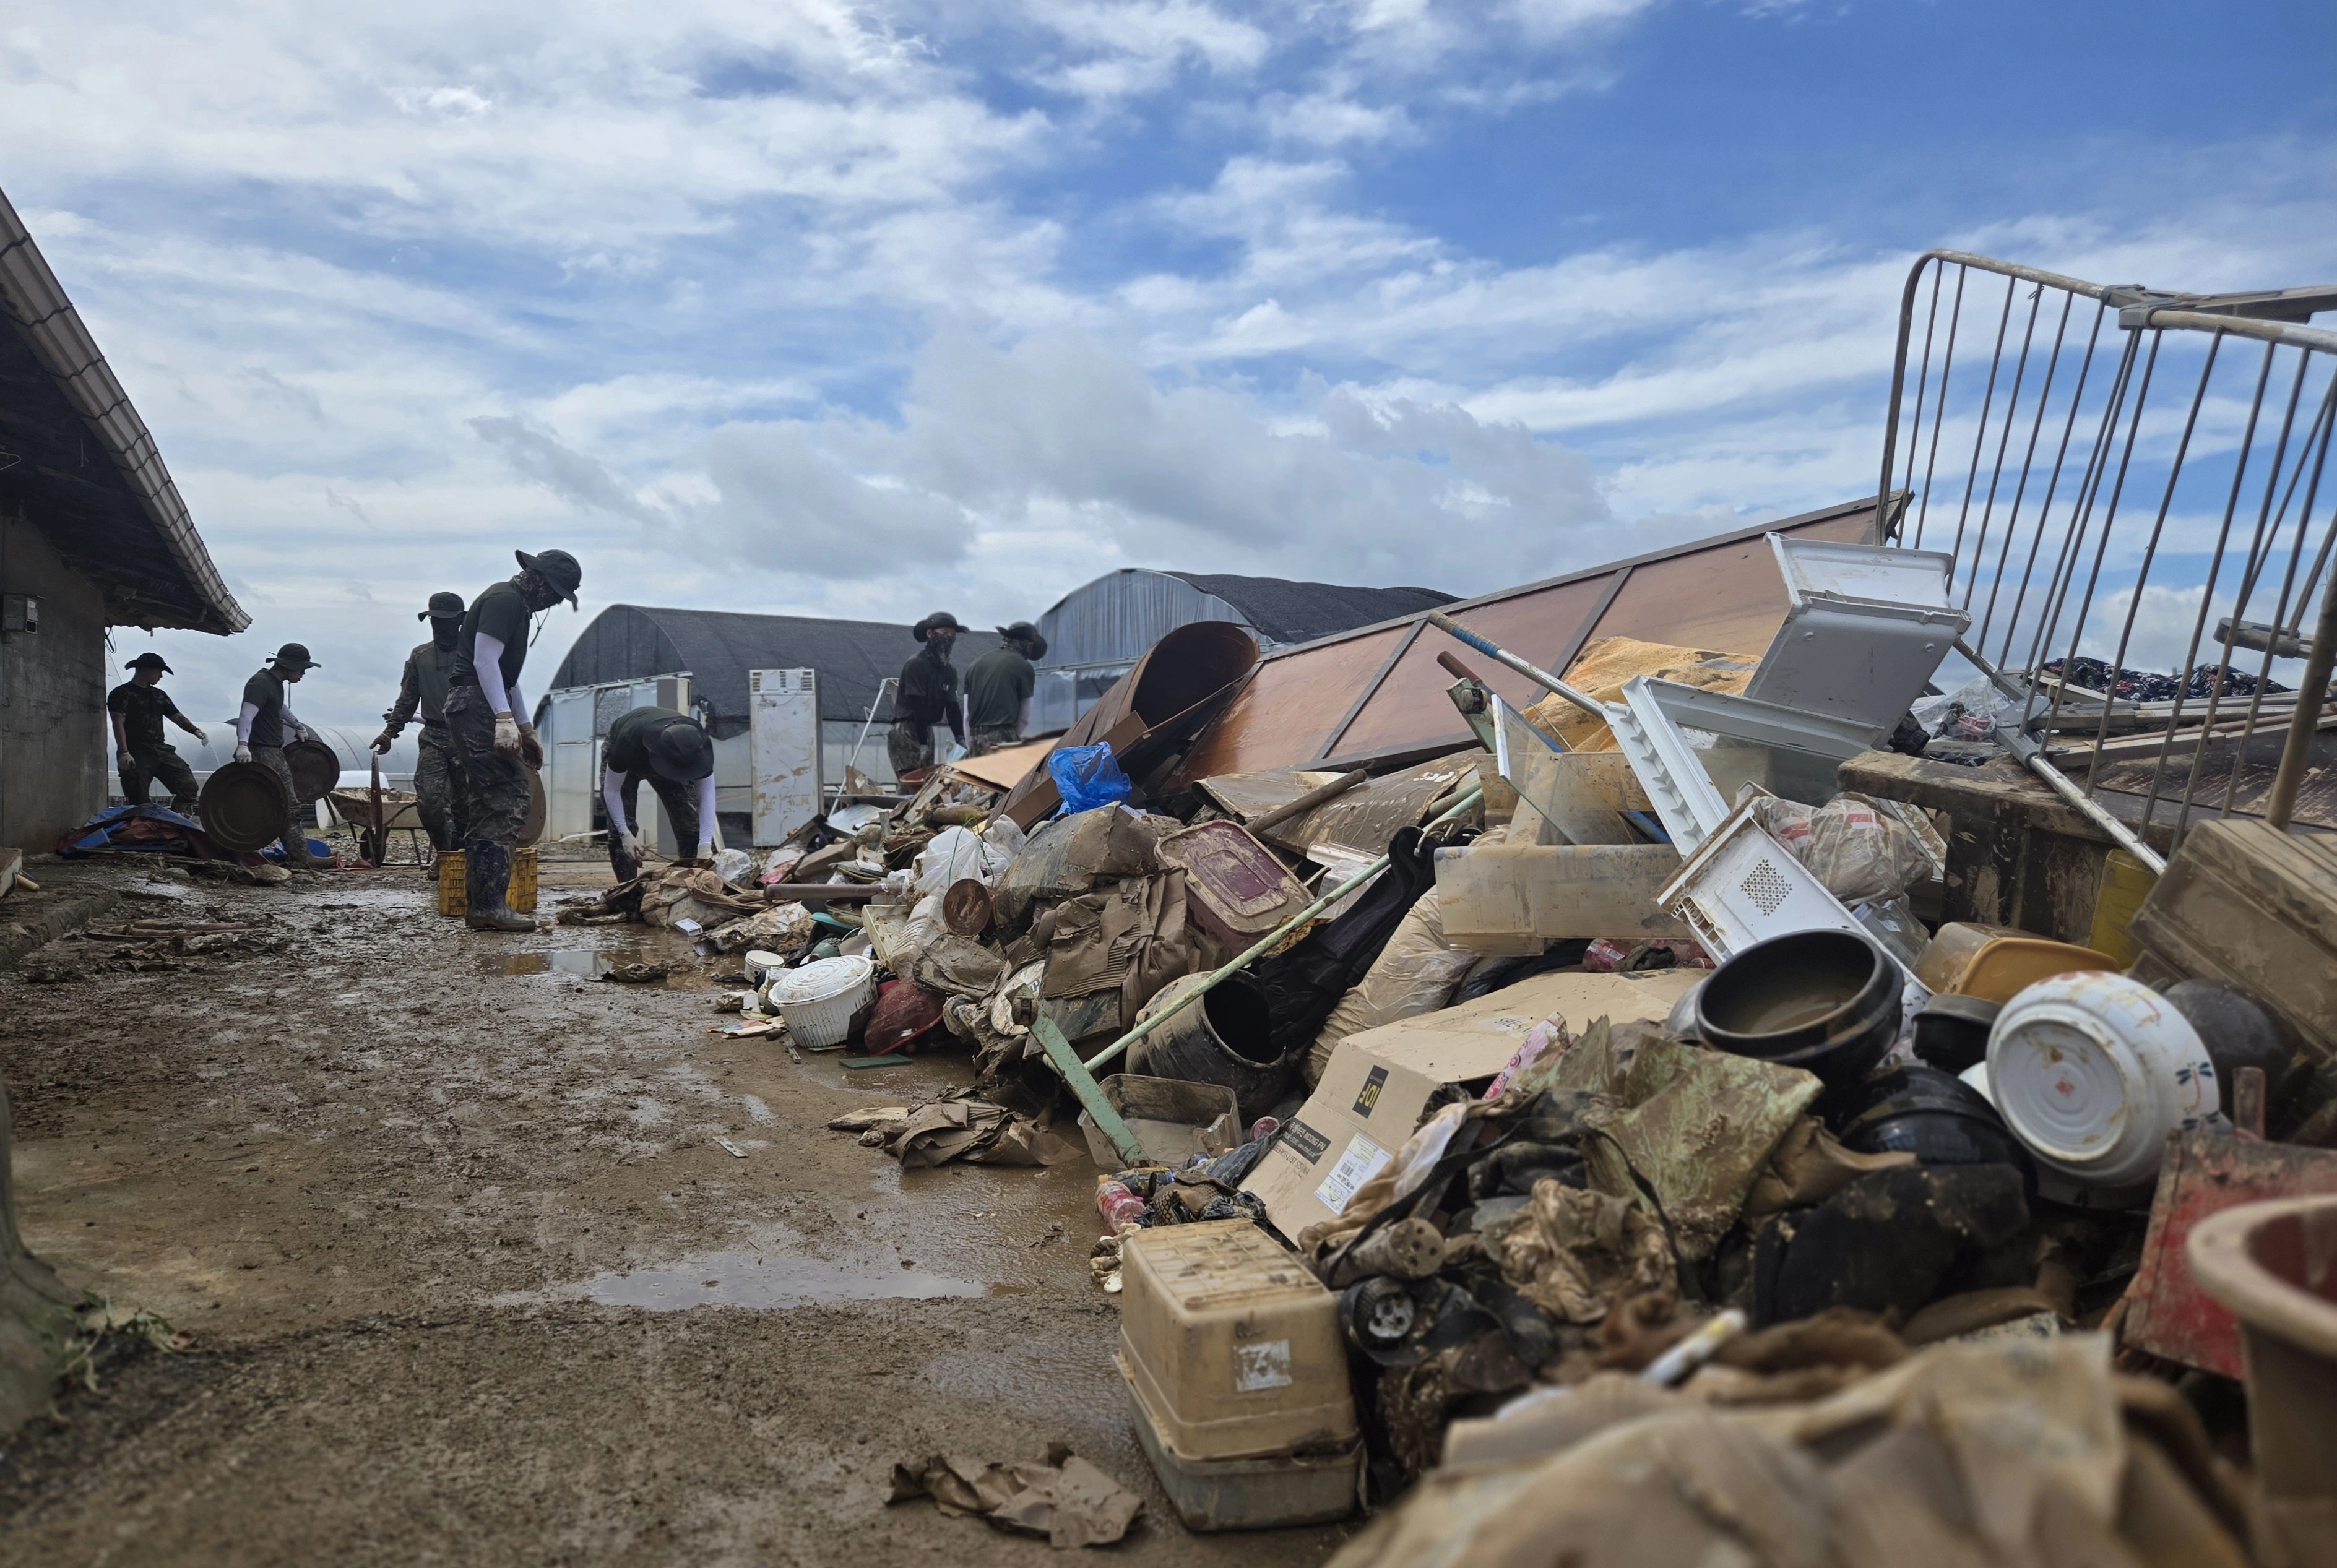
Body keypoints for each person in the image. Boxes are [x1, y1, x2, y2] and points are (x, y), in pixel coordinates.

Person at [445, 548, 582, 932]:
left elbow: (507, 677)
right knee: (506, 796)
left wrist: (525, 729)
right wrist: (503, 719)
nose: (555, 601)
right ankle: (489, 906)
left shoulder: (515, 606)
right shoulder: (505, 600)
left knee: (489, 799)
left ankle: (485, 906)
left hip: (481, 701)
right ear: (537, 579)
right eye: (555, 592)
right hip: (476, 702)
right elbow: (484, 662)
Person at [370, 592, 466, 852]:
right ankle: (444, 852)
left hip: (469, 737)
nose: (441, 627)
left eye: (447, 621)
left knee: (466, 805)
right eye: (435, 621)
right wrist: (389, 733)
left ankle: (464, 854)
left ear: (460, 621)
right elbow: (408, 698)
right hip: (434, 735)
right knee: (430, 802)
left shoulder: (474, 655)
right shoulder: (420, 656)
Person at [599, 705, 718, 883]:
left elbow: (707, 795)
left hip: (674, 756)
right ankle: (628, 891)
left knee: (691, 827)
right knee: (621, 830)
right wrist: (624, 833)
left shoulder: (696, 745)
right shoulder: (628, 742)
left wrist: (705, 845)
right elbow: (612, 789)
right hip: (633, 756)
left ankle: (695, 884)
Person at [232, 642, 322, 870]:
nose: (303, 674)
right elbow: (246, 715)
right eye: (301, 669)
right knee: (287, 804)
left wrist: (297, 725)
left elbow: (279, 708)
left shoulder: (274, 683)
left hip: (271, 749)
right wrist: (243, 745)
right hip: (264, 751)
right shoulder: (260, 683)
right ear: (290, 666)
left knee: (264, 803)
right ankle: (302, 856)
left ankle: (241, 853)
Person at [107, 652, 208, 811]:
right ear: (146, 669)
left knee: (188, 786)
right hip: (135, 750)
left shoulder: (159, 695)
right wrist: (123, 752)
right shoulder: (121, 694)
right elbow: (118, 723)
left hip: (160, 749)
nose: (161, 676)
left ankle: (176, 821)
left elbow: (177, 717)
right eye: (159, 671)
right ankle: (144, 829)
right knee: (139, 798)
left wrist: (195, 731)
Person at [888, 611, 966, 780]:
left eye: (953, 635)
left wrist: (961, 738)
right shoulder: (916, 664)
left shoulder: (949, 671)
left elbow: (952, 706)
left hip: (927, 728)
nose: (949, 638)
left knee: (926, 782)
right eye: (945, 633)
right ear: (930, 634)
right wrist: (923, 744)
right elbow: (918, 706)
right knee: (911, 781)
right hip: (908, 728)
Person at [965, 621, 1046, 755]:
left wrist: (971, 745)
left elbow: (967, 716)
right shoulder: (1023, 666)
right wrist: (1011, 738)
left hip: (975, 739)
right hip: (1002, 740)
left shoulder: (975, 664)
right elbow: (1025, 717)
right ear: (1030, 645)